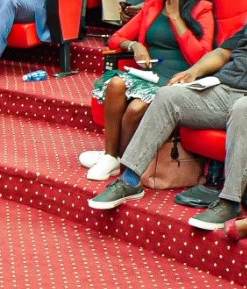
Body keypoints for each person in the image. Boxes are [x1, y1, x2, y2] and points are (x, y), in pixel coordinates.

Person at [86, 22, 247, 231]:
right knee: (168, 95)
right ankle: (130, 180)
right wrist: (194, 71)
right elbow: (223, 53)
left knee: (243, 109)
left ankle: (230, 202)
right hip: (225, 89)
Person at [80, 0, 214, 181]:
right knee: (115, 83)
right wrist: (136, 45)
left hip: (180, 79)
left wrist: (174, 16)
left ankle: (120, 160)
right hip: (151, 73)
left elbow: (199, 57)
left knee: (135, 109)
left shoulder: (202, 9)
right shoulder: (152, 4)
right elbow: (117, 38)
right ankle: (110, 156)